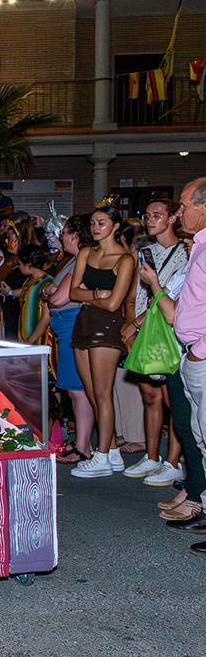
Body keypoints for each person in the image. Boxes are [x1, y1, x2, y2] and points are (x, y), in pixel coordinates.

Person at [119, 198, 188, 485]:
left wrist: (135, 324)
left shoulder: (187, 252)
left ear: (173, 218)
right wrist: (130, 325)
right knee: (150, 395)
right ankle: (151, 456)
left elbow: (168, 295)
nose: (150, 219)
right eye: (147, 215)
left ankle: (172, 462)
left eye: (157, 215)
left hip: (167, 329)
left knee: (174, 400)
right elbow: (135, 293)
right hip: (141, 327)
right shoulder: (144, 251)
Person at [68, 203, 136, 478]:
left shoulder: (125, 259)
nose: (96, 228)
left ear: (116, 226)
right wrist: (98, 293)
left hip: (107, 327)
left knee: (103, 393)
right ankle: (113, 452)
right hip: (83, 322)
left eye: (102, 223)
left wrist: (92, 294)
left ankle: (103, 455)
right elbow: (73, 293)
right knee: (92, 392)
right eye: (93, 223)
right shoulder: (85, 252)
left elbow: (114, 304)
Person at [169, 177, 206, 545]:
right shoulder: (199, 246)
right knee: (201, 436)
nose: (180, 212)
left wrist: (200, 349)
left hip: (203, 355)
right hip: (194, 355)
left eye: (184, 205)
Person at [45, 215, 97, 465]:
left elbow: (56, 299)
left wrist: (51, 292)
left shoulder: (81, 261)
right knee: (74, 388)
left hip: (72, 327)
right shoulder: (73, 260)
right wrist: (50, 291)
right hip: (65, 328)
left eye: (64, 232)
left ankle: (83, 447)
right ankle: (82, 444)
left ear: (75, 236)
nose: (61, 236)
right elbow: (50, 291)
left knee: (77, 391)